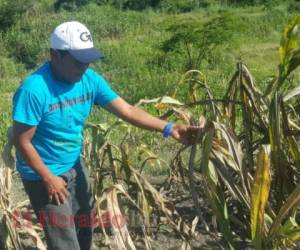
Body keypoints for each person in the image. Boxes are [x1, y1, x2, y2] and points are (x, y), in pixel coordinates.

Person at [12, 21, 205, 250]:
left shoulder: (89, 80)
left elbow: (128, 111)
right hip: (42, 174)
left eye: (87, 61)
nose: (84, 67)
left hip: (73, 163)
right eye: (77, 61)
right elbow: (22, 141)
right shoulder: (34, 90)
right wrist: (48, 178)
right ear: (55, 55)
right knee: (64, 238)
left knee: (85, 224)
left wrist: (169, 128)